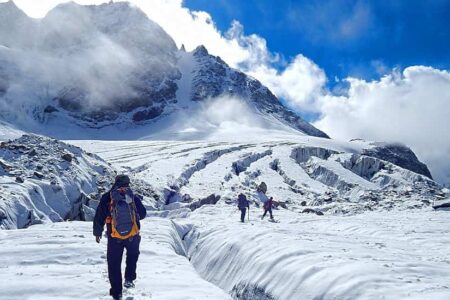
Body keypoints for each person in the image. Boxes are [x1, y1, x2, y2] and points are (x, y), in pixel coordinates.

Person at [93, 175, 147, 300]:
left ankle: (117, 293)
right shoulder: (132, 196)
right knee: (132, 256)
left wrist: (97, 232)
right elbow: (143, 214)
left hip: (114, 237)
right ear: (128, 183)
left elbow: (99, 216)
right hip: (133, 236)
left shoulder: (108, 197)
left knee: (114, 264)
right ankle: (129, 279)